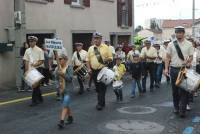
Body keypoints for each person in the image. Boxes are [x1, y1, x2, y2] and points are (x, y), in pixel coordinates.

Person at [164, 26, 193, 118]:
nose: (178, 34)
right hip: (174, 69)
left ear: (183, 33)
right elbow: (167, 57)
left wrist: (188, 61)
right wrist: (166, 69)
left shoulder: (189, 44)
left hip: (184, 69)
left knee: (184, 90)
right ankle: (176, 107)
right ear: (175, 33)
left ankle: (182, 110)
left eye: (180, 32)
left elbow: (191, 56)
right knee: (175, 90)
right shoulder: (171, 44)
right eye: (177, 33)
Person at [87, 32, 113, 111]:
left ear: (101, 39)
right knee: (98, 88)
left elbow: (111, 57)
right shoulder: (91, 48)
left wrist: (107, 59)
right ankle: (102, 102)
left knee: (102, 87)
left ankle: (99, 104)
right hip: (94, 70)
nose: (96, 40)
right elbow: (87, 60)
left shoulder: (106, 47)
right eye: (95, 38)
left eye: (97, 38)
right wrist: (89, 69)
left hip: (103, 69)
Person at [23, 36, 44, 107]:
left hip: (38, 69)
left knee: (35, 86)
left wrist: (35, 64)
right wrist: (26, 71)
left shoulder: (39, 50)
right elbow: (26, 60)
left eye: (32, 41)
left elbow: (41, 61)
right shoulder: (27, 50)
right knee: (36, 86)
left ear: (35, 42)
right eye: (30, 41)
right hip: (30, 69)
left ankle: (34, 101)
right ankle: (40, 98)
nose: (31, 43)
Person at [55, 53, 74, 129]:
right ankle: (70, 117)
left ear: (65, 60)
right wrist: (57, 86)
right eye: (58, 59)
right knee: (66, 105)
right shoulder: (57, 68)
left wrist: (62, 74)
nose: (59, 60)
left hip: (68, 90)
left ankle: (61, 121)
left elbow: (70, 78)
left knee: (65, 104)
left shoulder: (69, 68)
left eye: (61, 59)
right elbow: (56, 79)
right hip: (61, 90)